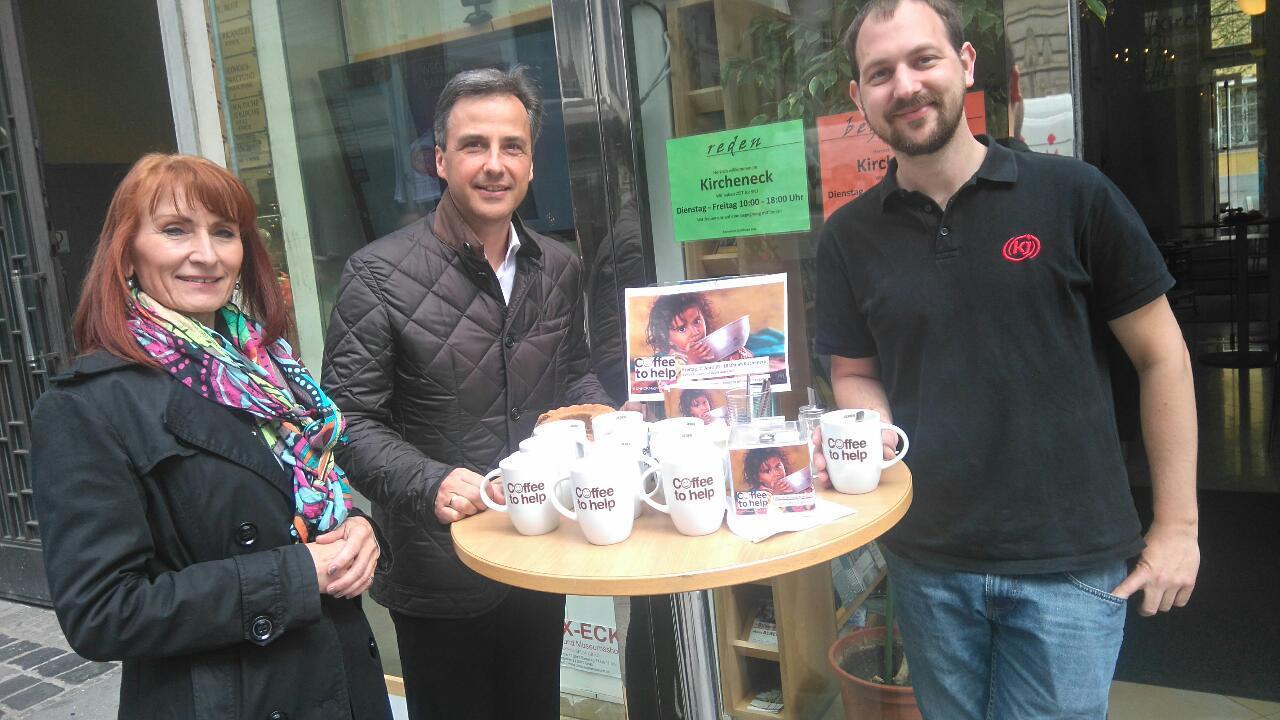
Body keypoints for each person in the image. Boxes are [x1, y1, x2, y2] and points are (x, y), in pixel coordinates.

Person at [813, 1, 1199, 718]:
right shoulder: (847, 238)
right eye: (881, 72)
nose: (906, 85)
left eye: (924, 59)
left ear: (964, 64)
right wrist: (868, 440)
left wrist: (1178, 527)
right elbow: (855, 372)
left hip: (1069, 566)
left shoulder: (1073, 195)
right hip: (926, 561)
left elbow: (1162, 356)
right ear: (858, 96)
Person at [31, 154, 392, 720]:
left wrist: (362, 531)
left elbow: (304, 502)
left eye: (224, 232)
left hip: (342, 683)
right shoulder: (85, 407)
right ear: (126, 253)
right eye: (176, 230)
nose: (207, 254)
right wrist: (295, 576)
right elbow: (101, 613)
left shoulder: (270, 370)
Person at [321, 65, 613, 720]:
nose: (494, 164)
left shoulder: (557, 266)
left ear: (531, 164)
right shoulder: (378, 275)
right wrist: (428, 481)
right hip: (438, 569)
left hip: (538, 548)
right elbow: (345, 421)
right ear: (439, 161)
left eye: (512, 146)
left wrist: (603, 418)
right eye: (474, 145)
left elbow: (575, 372)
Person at [645, 292, 752, 363]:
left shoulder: (717, 346)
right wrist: (692, 362)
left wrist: (740, 356)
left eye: (697, 321)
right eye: (682, 329)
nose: (695, 331)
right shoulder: (666, 362)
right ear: (666, 337)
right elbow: (671, 386)